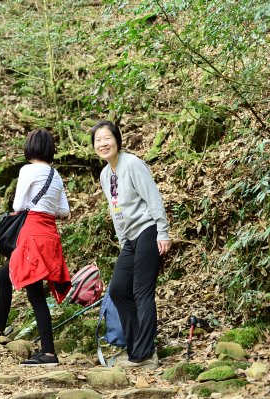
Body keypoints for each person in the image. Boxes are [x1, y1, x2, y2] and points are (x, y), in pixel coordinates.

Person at [0, 128, 71, 367]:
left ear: (30, 147)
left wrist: (32, 206)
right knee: (4, 275)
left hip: (32, 234)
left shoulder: (28, 170)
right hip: (49, 234)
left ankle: (48, 352)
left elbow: (18, 204)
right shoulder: (55, 175)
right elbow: (64, 211)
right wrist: (44, 206)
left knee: (35, 292)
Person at [90, 120, 170, 369]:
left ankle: (145, 354)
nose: (103, 144)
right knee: (118, 290)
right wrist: (123, 240)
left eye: (107, 138)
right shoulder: (105, 174)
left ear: (117, 139)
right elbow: (116, 211)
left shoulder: (132, 164)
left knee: (141, 291)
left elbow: (153, 197)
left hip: (148, 230)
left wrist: (163, 231)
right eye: (98, 141)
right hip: (130, 239)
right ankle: (137, 348)